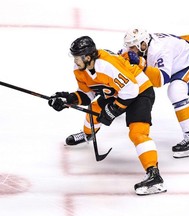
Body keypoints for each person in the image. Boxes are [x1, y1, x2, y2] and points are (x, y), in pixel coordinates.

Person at [48, 35, 167, 195]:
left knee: (137, 133)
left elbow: (131, 89)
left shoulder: (107, 65)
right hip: (118, 91)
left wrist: (113, 110)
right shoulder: (80, 69)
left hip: (140, 91)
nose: (75, 61)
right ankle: (87, 135)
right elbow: (87, 94)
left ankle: (154, 176)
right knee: (96, 108)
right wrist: (67, 100)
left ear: (87, 57)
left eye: (77, 58)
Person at [119, 28, 189, 158]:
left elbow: (160, 80)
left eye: (133, 47)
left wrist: (141, 64)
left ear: (142, 44)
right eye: (129, 47)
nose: (130, 50)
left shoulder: (160, 50)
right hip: (179, 54)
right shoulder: (139, 46)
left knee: (176, 90)